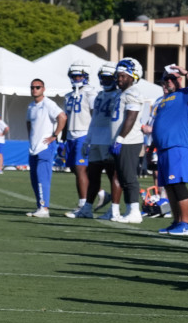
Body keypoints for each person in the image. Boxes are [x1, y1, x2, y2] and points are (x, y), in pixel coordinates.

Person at [143, 65, 188, 236]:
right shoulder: (162, 100)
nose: (168, 82)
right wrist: (150, 149)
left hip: (177, 146)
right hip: (163, 149)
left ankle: (187, 223)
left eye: (172, 79)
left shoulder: (185, 94)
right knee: (169, 187)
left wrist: (186, 73)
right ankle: (177, 221)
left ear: (178, 80)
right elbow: (158, 127)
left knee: (177, 184)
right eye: (166, 79)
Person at [73, 64, 124, 219]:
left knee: (113, 175)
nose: (105, 81)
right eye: (103, 78)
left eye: (108, 78)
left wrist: (118, 139)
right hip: (95, 139)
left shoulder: (119, 95)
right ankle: (87, 208)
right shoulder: (100, 95)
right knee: (93, 175)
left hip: (109, 140)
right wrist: (88, 140)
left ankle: (114, 210)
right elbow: (94, 119)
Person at [106, 58, 147, 224]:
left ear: (133, 76)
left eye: (123, 76)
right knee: (123, 176)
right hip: (121, 140)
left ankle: (135, 211)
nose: (119, 79)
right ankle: (130, 209)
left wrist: (121, 138)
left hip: (129, 141)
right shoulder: (121, 93)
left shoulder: (133, 93)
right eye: (118, 75)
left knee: (129, 177)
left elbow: (131, 117)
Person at [25, 79, 66, 218]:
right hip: (33, 147)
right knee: (34, 179)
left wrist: (55, 135)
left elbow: (62, 117)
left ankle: (45, 208)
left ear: (43, 89)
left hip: (45, 146)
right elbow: (28, 122)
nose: (34, 89)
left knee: (43, 178)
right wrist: (30, 137)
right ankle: (40, 206)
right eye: (32, 87)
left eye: (37, 87)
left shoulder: (48, 104)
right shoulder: (31, 106)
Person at [61, 63, 99, 215]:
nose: (76, 78)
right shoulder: (68, 95)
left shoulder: (90, 93)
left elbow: (95, 115)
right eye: (74, 76)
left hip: (84, 133)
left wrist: (93, 136)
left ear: (85, 76)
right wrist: (63, 139)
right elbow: (66, 117)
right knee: (73, 168)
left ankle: (84, 205)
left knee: (80, 168)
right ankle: (101, 193)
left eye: (79, 75)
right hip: (71, 134)